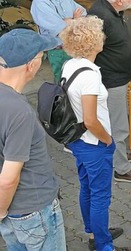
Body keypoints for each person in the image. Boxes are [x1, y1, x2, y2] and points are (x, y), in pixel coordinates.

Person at [60, 16, 131, 251]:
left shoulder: (70, 65)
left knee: (87, 188)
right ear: (93, 42)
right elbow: (91, 119)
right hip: (94, 143)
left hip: (77, 141)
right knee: (101, 196)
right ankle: (103, 245)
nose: (104, 37)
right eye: (100, 34)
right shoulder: (90, 75)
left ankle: (94, 231)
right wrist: (108, 141)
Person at [0, 29, 66, 250]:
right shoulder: (19, 112)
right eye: (42, 56)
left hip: (10, 213)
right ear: (31, 65)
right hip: (32, 210)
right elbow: (9, 178)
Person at [88, 0, 131, 184]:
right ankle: (121, 168)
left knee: (119, 120)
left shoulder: (111, 10)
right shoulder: (101, 17)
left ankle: (119, 153)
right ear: (119, 0)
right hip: (111, 79)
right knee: (118, 125)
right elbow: (92, 49)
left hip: (118, 77)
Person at [30, 0, 86, 82]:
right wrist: (74, 20)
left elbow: (84, 14)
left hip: (77, 46)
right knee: (65, 85)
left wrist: (69, 21)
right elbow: (60, 29)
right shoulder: (40, 3)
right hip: (59, 51)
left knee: (81, 82)